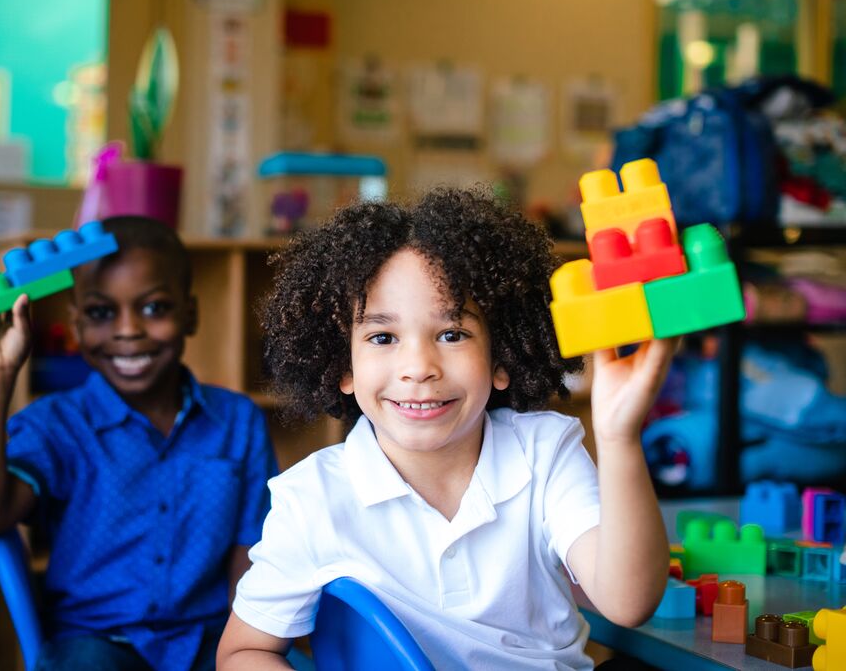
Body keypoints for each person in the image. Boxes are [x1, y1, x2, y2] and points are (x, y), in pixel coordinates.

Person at [217, 190, 675, 670]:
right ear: (343, 366)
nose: (418, 367)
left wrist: (620, 436)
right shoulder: (313, 498)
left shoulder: (545, 453)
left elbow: (628, 602)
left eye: (452, 334)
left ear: (501, 359)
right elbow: (243, 652)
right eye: (382, 337)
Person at [0, 216, 277, 671]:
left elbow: (251, 555)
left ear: (191, 313)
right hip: (95, 643)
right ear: (77, 324)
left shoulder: (237, 421)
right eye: (103, 313)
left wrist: (245, 651)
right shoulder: (57, 424)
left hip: (209, 640)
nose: (128, 331)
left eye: (154, 308)